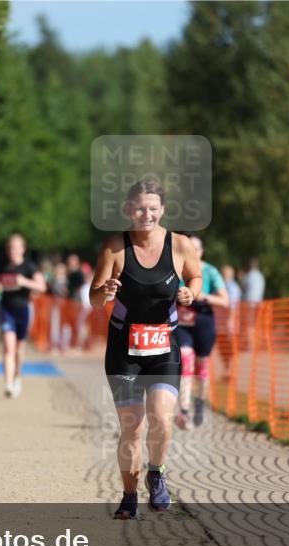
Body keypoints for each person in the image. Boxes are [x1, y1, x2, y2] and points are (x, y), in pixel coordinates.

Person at [89, 179, 202, 519]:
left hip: (163, 347)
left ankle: (157, 472)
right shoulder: (114, 248)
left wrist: (190, 294)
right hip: (124, 349)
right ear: (128, 210)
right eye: (140, 208)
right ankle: (128, 496)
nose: (147, 214)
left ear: (162, 210)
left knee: (162, 420)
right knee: (132, 427)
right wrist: (105, 290)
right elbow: (94, 300)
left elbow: (195, 278)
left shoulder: (180, 245)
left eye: (153, 208)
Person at [173, 236, 230, 429]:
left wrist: (202, 296)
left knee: (201, 367)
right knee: (185, 358)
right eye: (189, 248)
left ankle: (199, 405)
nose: (193, 252)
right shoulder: (176, 268)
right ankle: (184, 410)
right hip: (182, 322)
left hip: (204, 322)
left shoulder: (210, 272)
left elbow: (225, 300)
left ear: (202, 251)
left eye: (196, 249)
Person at [0, 233, 47, 397]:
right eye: (11, 247)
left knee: (19, 349)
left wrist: (23, 282)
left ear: (23, 249)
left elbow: (42, 287)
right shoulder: (3, 266)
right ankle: (8, 383)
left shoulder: (29, 267)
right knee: (8, 347)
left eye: (17, 247)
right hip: (6, 309)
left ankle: (17, 376)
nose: (13, 250)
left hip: (23, 310)